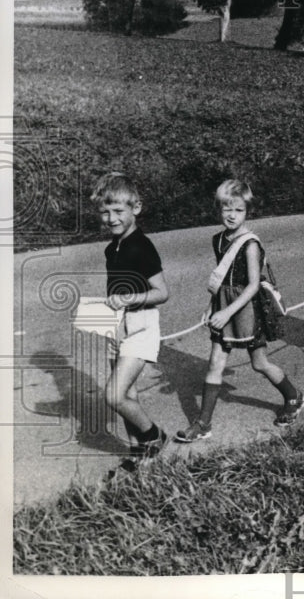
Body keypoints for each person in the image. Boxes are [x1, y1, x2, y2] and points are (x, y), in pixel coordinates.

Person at [175, 180, 304, 443]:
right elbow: (222, 280)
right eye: (227, 209)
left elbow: (253, 285)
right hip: (223, 304)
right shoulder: (218, 240)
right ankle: (203, 424)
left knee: (260, 363)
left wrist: (227, 312)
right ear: (218, 209)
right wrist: (211, 307)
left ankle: (293, 396)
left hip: (247, 310)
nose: (232, 215)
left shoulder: (250, 244)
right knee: (215, 363)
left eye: (239, 210)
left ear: (248, 212)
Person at [91, 173, 169, 470]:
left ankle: (154, 436)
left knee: (114, 396)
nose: (111, 218)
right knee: (129, 393)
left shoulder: (141, 247)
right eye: (105, 212)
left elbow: (162, 292)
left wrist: (127, 299)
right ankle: (138, 455)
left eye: (118, 211)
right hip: (118, 325)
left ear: (136, 208)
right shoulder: (113, 246)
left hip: (141, 325)